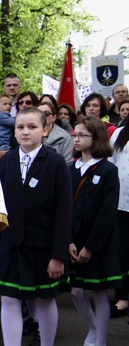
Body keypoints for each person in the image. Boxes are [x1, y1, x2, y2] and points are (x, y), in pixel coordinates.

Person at [0, 107, 72, 346]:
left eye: (32, 127)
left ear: (45, 130)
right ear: (14, 132)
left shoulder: (56, 163)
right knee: (9, 299)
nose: (26, 132)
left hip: (43, 247)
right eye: (20, 127)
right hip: (11, 245)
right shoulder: (6, 162)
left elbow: (64, 212)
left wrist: (58, 255)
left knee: (44, 299)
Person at [69, 116, 124, 346]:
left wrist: (91, 246)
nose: (77, 139)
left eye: (83, 135)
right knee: (76, 292)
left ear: (96, 137)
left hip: (97, 243)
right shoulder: (70, 169)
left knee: (100, 293)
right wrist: (69, 240)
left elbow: (107, 211)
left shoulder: (108, 170)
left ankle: (100, 340)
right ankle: (92, 328)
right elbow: (64, 208)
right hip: (73, 241)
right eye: (76, 134)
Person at [108, 121, 129, 320]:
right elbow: (111, 165)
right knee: (122, 251)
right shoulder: (120, 134)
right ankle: (123, 296)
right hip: (122, 204)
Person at [0, 93, 14, 160]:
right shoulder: (0, 114)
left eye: (10, 104)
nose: (8, 106)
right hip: (2, 142)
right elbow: (13, 122)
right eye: (5, 104)